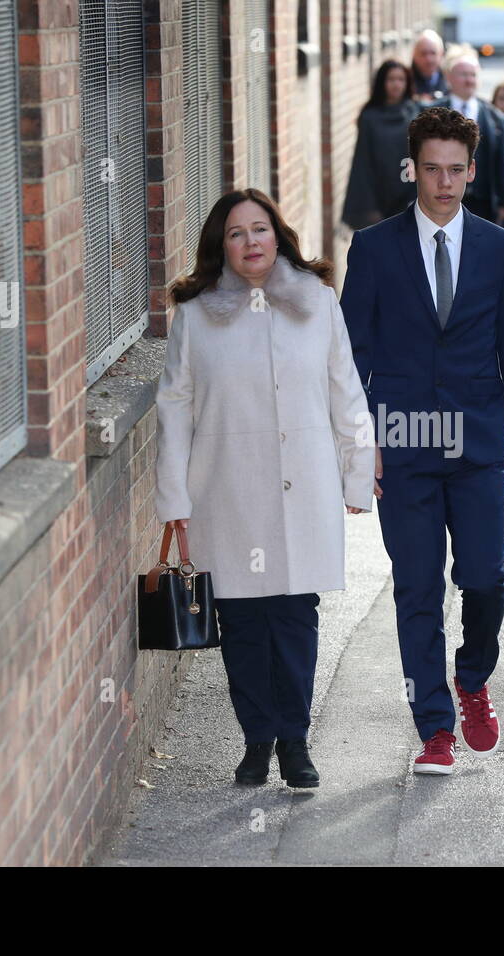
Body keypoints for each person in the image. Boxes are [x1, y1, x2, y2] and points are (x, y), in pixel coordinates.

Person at [339, 106, 504, 775]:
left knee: (485, 577)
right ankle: (434, 728)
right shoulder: (372, 249)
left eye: (457, 170)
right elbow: (350, 358)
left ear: (472, 170)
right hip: (404, 447)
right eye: (433, 169)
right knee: (417, 589)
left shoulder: (500, 249)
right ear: (413, 169)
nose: (445, 182)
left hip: (479, 443)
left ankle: (472, 678)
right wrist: (359, 440)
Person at [155, 188, 375, 789]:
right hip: (225, 491)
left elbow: (346, 391)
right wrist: (174, 500)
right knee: (244, 623)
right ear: (220, 246)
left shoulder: (317, 302)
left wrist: (357, 473)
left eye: (260, 229)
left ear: (277, 234)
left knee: (297, 618)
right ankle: (256, 740)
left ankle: (296, 741)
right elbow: (174, 409)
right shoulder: (197, 316)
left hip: (305, 486)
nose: (251, 242)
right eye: (236, 233)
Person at [342, 59, 420, 230]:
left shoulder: (414, 112)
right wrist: (369, 206)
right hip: (377, 191)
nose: (396, 84)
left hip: (407, 191)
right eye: (391, 79)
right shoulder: (369, 116)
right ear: (381, 82)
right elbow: (362, 161)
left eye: (401, 79)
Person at [444, 50, 504, 225]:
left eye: (473, 75)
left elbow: (503, 162)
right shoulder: (433, 112)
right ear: (449, 78)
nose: (469, 80)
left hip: (482, 203)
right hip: (442, 197)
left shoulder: (494, 117)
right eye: (463, 75)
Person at [410, 29, 449, 102]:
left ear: (442, 54)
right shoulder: (405, 82)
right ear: (414, 55)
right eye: (423, 53)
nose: (428, 59)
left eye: (433, 53)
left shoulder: (451, 81)